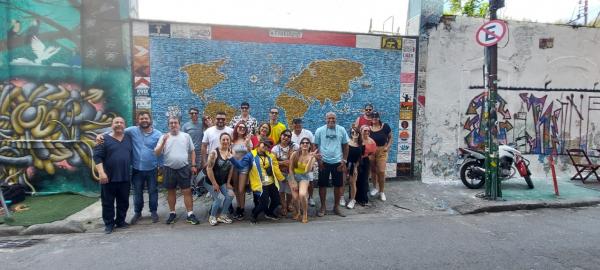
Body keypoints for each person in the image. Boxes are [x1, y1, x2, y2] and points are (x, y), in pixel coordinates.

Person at [96, 111, 162, 224]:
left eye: (146, 118)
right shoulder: (132, 131)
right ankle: (137, 212)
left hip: (151, 169)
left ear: (150, 120)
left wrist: (161, 165)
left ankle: (153, 211)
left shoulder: (158, 134)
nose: (144, 120)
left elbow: (162, 150)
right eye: (141, 119)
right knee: (137, 192)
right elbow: (116, 129)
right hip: (136, 169)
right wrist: (100, 135)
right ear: (138, 121)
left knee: (153, 191)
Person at [154, 116, 200, 225]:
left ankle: (190, 214)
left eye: (175, 123)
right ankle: (172, 213)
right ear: (168, 125)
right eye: (171, 123)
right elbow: (157, 153)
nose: (173, 125)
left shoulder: (186, 136)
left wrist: (193, 164)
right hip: (168, 168)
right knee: (171, 191)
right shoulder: (163, 137)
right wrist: (163, 142)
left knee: (187, 191)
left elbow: (192, 151)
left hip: (183, 168)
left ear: (179, 124)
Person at [93, 117, 132, 234]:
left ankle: (120, 221)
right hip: (108, 177)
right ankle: (109, 224)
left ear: (124, 125)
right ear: (112, 125)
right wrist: (101, 173)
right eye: (116, 122)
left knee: (124, 201)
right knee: (108, 202)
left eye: (121, 122)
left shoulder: (128, 138)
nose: (119, 124)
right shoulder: (103, 139)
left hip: (125, 176)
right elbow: (97, 157)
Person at [237, 138, 285, 223]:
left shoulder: (270, 155)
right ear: (259, 143)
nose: (266, 147)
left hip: (271, 182)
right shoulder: (250, 155)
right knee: (263, 203)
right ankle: (254, 214)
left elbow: (276, 169)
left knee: (277, 201)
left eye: (268, 146)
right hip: (260, 184)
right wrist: (231, 159)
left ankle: (269, 213)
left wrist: (283, 179)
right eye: (264, 144)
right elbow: (241, 166)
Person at [314, 112, 349, 217]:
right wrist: (318, 161)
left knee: (338, 185)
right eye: (329, 118)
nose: (331, 120)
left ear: (336, 119)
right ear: (325, 119)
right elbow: (315, 146)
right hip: (323, 163)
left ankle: (336, 207)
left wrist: (344, 161)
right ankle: (323, 207)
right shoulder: (319, 130)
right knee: (322, 185)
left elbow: (346, 146)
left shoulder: (341, 130)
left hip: (338, 162)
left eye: (333, 118)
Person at [203, 133, 235, 226]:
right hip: (210, 181)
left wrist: (228, 182)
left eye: (227, 139)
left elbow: (231, 169)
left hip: (222, 181)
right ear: (220, 141)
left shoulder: (231, 152)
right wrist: (214, 184)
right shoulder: (214, 153)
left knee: (231, 195)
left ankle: (223, 216)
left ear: (230, 141)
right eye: (223, 139)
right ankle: (212, 216)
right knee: (219, 198)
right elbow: (209, 169)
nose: (225, 141)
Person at [271, 129, 299, 217]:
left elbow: (298, 159)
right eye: (284, 135)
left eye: (288, 136)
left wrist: (289, 161)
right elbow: (272, 162)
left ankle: (289, 204)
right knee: (281, 191)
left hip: (291, 172)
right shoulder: (275, 148)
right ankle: (283, 206)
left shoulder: (295, 147)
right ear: (281, 136)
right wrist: (283, 163)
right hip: (280, 173)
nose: (286, 137)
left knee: (290, 190)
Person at [290, 118, 317, 207]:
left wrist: (312, 160)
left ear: (302, 124)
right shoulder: (291, 135)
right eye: (295, 123)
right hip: (296, 161)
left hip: (307, 160)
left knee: (310, 179)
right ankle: (297, 200)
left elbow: (312, 146)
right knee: (296, 179)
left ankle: (311, 198)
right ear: (292, 125)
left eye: (299, 123)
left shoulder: (308, 133)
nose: (297, 125)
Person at [288, 137, 316, 223]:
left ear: (309, 146)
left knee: (302, 194)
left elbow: (306, 171)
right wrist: (293, 181)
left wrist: (311, 158)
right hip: (293, 176)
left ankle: (305, 213)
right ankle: (298, 212)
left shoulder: (311, 157)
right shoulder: (294, 154)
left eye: (307, 143)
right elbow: (290, 169)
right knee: (296, 197)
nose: (305, 144)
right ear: (300, 145)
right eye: (303, 143)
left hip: (304, 177)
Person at [231, 121, 253, 220]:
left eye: (244, 128)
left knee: (241, 189)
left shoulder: (247, 140)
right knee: (235, 189)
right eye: (240, 127)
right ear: (236, 128)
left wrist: (248, 143)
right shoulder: (233, 140)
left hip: (244, 166)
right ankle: (239, 206)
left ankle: (242, 208)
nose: (242, 129)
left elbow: (250, 153)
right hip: (234, 166)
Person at [368, 111, 393, 201]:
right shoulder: (368, 128)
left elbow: (390, 138)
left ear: (379, 118)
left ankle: (382, 191)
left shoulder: (385, 126)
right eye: (373, 117)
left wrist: (387, 147)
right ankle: (375, 187)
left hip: (382, 151)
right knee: (373, 171)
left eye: (376, 117)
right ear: (370, 118)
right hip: (371, 151)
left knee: (381, 171)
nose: (374, 118)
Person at [355, 125, 377, 206]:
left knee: (364, 180)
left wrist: (367, 158)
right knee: (355, 180)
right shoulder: (357, 140)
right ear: (361, 131)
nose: (367, 132)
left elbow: (373, 153)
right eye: (365, 130)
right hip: (356, 160)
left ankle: (363, 199)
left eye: (368, 131)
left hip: (365, 161)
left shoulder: (372, 141)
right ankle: (354, 198)